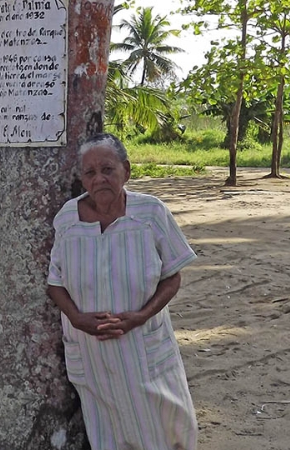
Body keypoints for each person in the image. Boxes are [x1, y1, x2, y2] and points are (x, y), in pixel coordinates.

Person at [47, 133, 198, 450]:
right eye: (90, 173)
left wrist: (139, 316)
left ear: (125, 171)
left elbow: (172, 277)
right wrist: (76, 319)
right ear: (81, 178)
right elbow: (55, 282)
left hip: (142, 348)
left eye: (107, 169)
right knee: (109, 433)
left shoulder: (150, 213)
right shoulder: (67, 219)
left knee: (168, 426)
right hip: (91, 352)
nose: (99, 178)